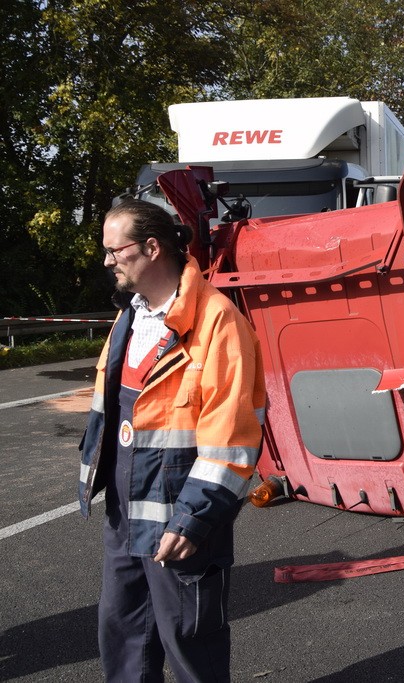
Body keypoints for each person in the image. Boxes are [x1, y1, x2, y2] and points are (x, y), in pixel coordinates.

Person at [78, 198, 266, 681]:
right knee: (122, 632)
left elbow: (232, 438)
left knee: (189, 642)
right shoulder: (131, 316)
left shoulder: (218, 322)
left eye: (114, 251)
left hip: (180, 517)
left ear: (151, 248)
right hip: (126, 512)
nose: (106, 261)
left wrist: (192, 519)